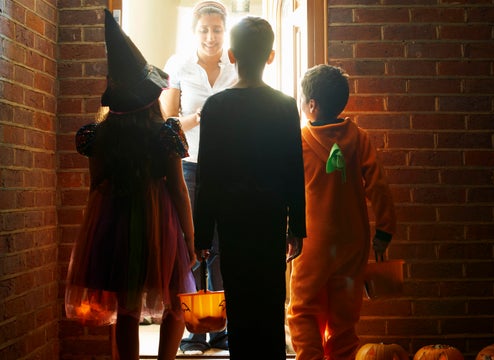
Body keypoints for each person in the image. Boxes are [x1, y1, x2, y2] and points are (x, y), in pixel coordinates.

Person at [64, 10, 196, 360]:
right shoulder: (165, 132)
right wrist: (190, 236)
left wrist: (96, 230)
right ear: (150, 96)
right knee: (176, 300)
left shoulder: (98, 135)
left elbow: (96, 185)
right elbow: (179, 189)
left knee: (127, 309)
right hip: (160, 223)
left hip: (115, 221)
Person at [193, 16, 306, 359]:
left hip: (233, 222)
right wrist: (297, 226)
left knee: (240, 304)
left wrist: (202, 235)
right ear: (270, 56)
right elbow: (293, 171)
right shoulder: (286, 106)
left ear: (230, 55)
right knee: (271, 303)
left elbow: (207, 175)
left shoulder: (216, 107)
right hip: (270, 218)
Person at [286, 64, 397, 360]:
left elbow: (288, 192)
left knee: (304, 310)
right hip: (352, 244)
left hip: (312, 245)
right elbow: (379, 187)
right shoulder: (359, 138)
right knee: (344, 320)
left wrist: (286, 230)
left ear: (311, 105)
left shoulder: (298, 142)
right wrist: (384, 231)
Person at [158, 0, 237, 353]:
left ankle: (220, 326)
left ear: (226, 31)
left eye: (217, 29)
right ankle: (193, 328)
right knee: (190, 245)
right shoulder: (178, 65)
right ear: (194, 32)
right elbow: (167, 121)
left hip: (227, 166)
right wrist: (203, 117)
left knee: (221, 246)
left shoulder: (235, 66)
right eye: (204, 30)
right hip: (187, 165)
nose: (211, 37)